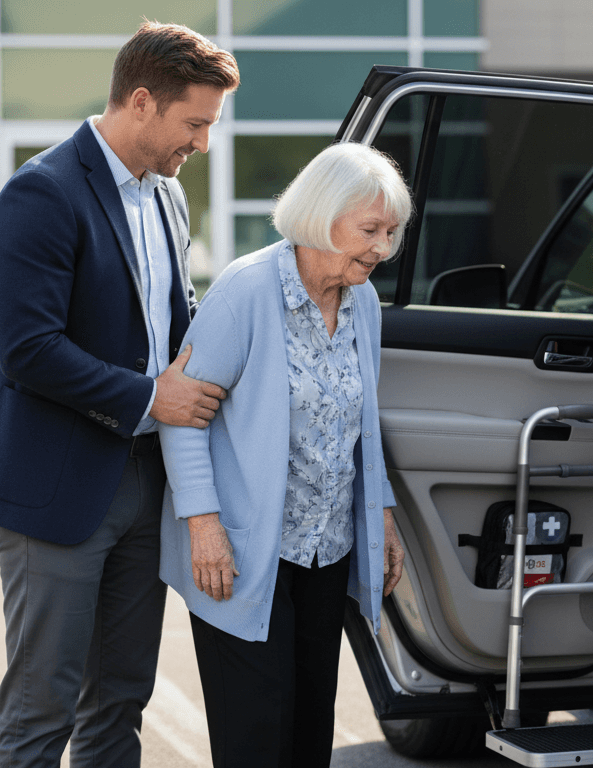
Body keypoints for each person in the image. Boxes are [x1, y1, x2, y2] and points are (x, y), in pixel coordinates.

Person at [0, 22, 239, 768]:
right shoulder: (40, 193)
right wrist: (154, 400)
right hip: (56, 487)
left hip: (147, 486)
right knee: (44, 703)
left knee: (120, 699)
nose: (203, 145)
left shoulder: (169, 198)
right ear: (141, 101)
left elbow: (175, 325)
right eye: (196, 124)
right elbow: (29, 351)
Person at [157, 142, 411, 767]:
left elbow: (361, 421)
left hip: (324, 551)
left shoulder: (363, 303)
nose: (382, 248)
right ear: (322, 217)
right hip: (243, 553)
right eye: (370, 230)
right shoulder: (246, 291)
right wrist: (204, 524)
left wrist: (380, 510)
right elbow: (183, 417)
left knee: (307, 735)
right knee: (255, 739)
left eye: (391, 232)